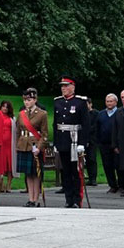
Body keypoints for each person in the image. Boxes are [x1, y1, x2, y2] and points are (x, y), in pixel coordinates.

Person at [53, 78, 90, 207]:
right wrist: (56, 143)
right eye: (62, 86)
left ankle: (76, 200)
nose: (63, 88)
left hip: (74, 140)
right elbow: (56, 124)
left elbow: (85, 124)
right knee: (66, 172)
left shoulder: (80, 102)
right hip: (63, 141)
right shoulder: (57, 102)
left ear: (73, 87)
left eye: (66, 86)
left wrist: (82, 143)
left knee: (75, 172)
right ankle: (68, 199)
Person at [15, 88, 49, 206]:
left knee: (36, 173)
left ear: (35, 100)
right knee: (28, 174)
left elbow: (44, 134)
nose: (26, 102)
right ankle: (30, 198)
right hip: (23, 145)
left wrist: (39, 147)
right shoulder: (21, 114)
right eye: (25, 100)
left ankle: (36, 198)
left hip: (35, 145)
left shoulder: (42, 114)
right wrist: (17, 145)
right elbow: (18, 131)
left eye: (29, 100)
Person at [94, 93, 121, 194]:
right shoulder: (101, 114)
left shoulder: (119, 113)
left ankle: (121, 184)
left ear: (115, 102)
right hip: (104, 144)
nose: (109, 103)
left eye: (111, 101)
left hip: (117, 144)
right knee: (107, 165)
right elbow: (97, 128)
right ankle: (112, 185)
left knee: (118, 165)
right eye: (107, 101)